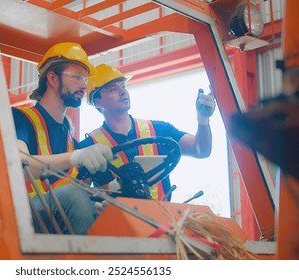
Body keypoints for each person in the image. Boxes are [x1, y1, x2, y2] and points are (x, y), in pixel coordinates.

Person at [12, 43, 113, 234]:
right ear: (52, 78)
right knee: (73, 194)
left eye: (84, 79)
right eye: (76, 77)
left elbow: (73, 189)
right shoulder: (20, 118)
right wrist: (74, 157)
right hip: (21, 219)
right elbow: (18, 165)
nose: (84, 85)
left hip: (54, 222)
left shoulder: (70, 139)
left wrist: (96, 201)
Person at [79, 64, 216, 201]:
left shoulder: (160, 130)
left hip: (162, 218)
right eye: (113, 89)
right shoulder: (88, 147)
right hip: (117, 220)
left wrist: (203, 119)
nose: (122, 92)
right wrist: (114, 186)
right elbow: (79, 195)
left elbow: (201, 151)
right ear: (97, 102)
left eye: (123, 86)